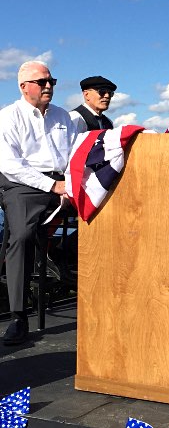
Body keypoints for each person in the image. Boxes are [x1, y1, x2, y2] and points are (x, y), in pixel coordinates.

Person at [0, 61, 77, 345]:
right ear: (23, 87)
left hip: (63, 182)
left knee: (110, 214)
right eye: (42, 81)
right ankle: (19, 317)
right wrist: (53, 186)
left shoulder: (63, 116)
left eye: (51, 81)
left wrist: (68, 184)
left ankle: (107, 299)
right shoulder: (8, 117)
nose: (48, 86)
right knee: (20, 236)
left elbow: (74, 155)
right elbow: (10, 165)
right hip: (24, 184)